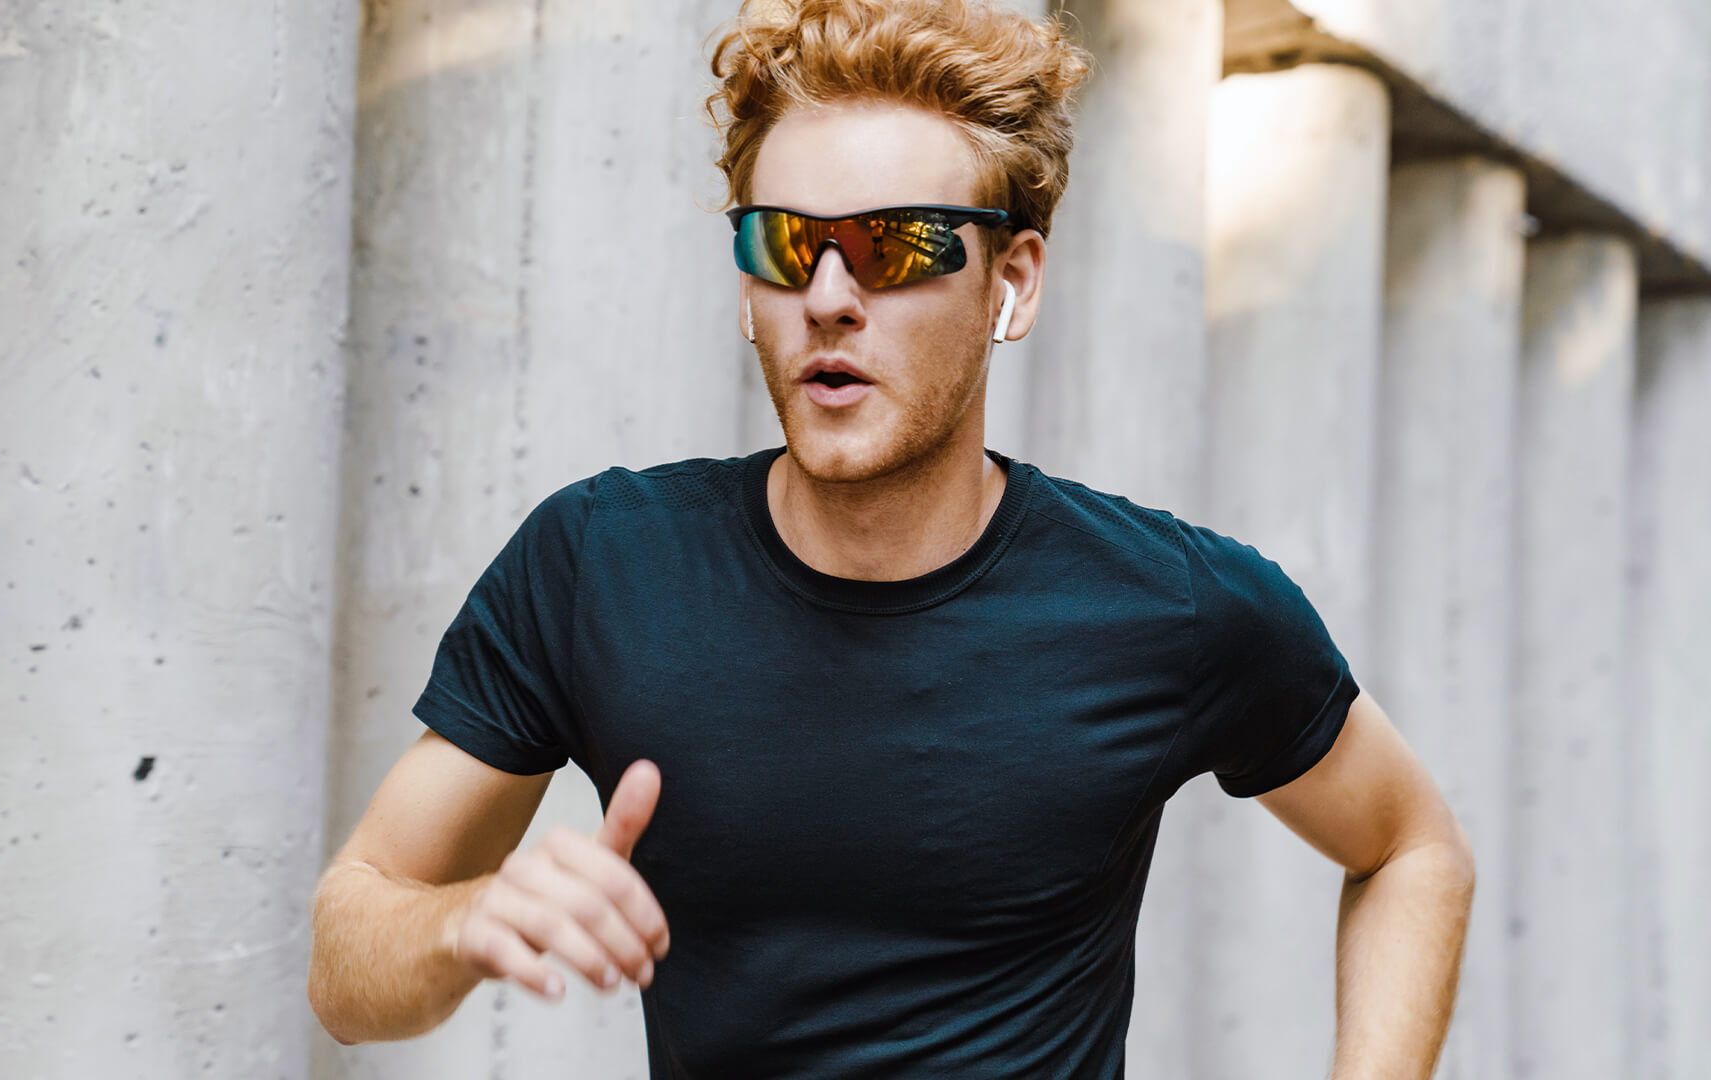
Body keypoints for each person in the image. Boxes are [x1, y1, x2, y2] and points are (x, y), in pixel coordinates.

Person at [307, 0, 1475, 1076]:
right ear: (747, 288)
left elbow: (1409, 850)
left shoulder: (1170, 605)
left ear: (1012, 281)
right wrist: (465, 920)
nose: (827, 295)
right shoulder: (597, 566)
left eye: (897, 245)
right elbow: (345, 968)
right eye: (783, 244)